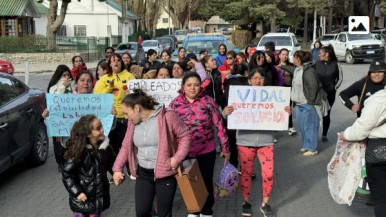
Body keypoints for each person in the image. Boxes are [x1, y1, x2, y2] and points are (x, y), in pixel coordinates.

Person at [223, 67, 291, 217]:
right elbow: (228, 118)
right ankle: (246, 202)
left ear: (264, 80)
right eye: (254, 78)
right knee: (246, 173)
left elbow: (279, 119)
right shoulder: (240, 97)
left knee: (269, 174)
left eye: (260, 78)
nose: (258, 81)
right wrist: (226, 112)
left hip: (266, 141)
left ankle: (265, 203)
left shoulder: (273, 97)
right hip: (244, 141)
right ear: (249, 80)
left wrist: (285, 113)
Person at [112, 89, 191, 217]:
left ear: (137, 108)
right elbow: (126, 146)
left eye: (126, 113)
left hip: (164, 173)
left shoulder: (167, 116)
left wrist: (177, 158)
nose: (126, 117)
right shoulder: (133, 123)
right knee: (142, 212)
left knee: (163, 213)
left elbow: (185, 136)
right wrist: (117, 168)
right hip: (143, 173)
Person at [169, 73, 230, 217]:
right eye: (189, 85)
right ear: (183, 86)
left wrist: (225, 147)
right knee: (189, 180)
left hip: (206, 148)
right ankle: (194, 209)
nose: (192, 88)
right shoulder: (175, 103)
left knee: (205, 179)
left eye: (196, 84)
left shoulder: (208, 101)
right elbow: (168, 127)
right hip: (185, 150)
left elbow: (219, 124)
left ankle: (207, 210)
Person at [338, 69, 386, 217]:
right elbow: (342, 94)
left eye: (381, 71)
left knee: (381, 199)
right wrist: (351, 106)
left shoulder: (379, 98)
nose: (377, 74)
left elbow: (362, 128)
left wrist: (345, 135)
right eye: (374, 71)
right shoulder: (362, 84)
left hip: (378, 149)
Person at [62, 115, 111, 217]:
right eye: (98, 128)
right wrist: (77, 192)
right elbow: (67, 174)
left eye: (101, 126)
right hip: (81, 199)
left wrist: (116, 172)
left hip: (97, 197)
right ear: (88, 134)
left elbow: (112, 162)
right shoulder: (79, 151)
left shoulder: (105, 146)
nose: (102, 130)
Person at [281, 50, 327, 156]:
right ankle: (306, 145)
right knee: (302, 127)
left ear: (299, 59)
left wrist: (310, 101)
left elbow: (313, 86)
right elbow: (293, 70)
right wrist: (282, 66)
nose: (292, 59)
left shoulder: (308, 70)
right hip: (299, 104)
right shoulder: (299, 69)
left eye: (294, 57)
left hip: (307, 104)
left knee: (310, 127)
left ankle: (312, 148)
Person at [94, 54, 136, 170]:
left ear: (122, 63)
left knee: (126, 145)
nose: (116, 62)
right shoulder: (104, 78)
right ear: (110, 64)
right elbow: (96, 96)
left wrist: (130, 94)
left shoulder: (129, 76)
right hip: (109, 118)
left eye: (118, 60)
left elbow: (136, 94)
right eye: (113, 60)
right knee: (112, 147)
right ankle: (115, 171)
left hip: (125, 118)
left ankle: (130, 168)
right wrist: (109, 88)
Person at [45, 64, 73, 172]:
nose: (66, 78)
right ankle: (60, 162)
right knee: (58, 142)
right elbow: (56, 100)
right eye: (63, 75)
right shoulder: (54, 87)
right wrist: (63, 87)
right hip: (58, 119)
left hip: (69, 118)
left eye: (67, 75)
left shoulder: (71, 86)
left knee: (69, 140)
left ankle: (69, 161)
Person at [315, 45, 342, 141]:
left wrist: (334, 88)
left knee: (326, 113)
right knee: (316, 113)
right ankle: (314, 133)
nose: (319, 55)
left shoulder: (336, 64)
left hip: (330, 93)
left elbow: (340, 78)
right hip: (317, 93)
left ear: (327, 54)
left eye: (321, 53)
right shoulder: (316, 63)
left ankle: (324, 134)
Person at [276, 48, 297, 136]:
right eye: (283, 54)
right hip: (279, 90)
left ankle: (290, 126)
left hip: (289, 88)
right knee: (278, 108)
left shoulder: (291, 65)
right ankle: (276, 127)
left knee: (288, 108)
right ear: (279, 55)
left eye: (286, 54)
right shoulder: (275, 66)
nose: (285, 56)